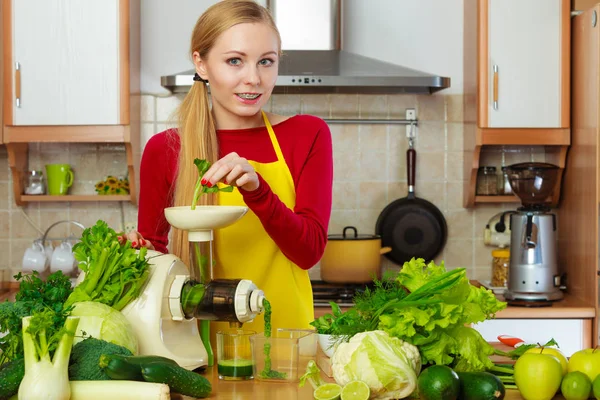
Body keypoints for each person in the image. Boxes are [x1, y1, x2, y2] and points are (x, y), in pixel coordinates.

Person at [128, 0, 333, 334]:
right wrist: (136, 250)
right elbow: (158, 259)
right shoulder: (165, 149)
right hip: (196, 347)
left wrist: (258, 189)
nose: (253, 78)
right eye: (235, 61)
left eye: (266, 62)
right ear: (202, 63)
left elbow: (308, 252)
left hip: (283, 343)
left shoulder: (307, 134)